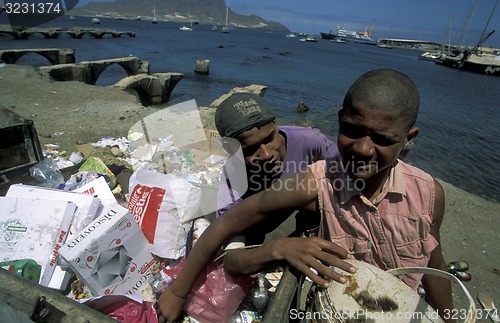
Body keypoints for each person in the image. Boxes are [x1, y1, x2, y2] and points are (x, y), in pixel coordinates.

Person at [156, 69, 454, 322]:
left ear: (408, 138)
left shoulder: (428, 194)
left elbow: (434, 266)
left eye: (383, 139)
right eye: (352, 131)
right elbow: (226, 236)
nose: (363, 148)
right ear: (340, 121)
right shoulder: (301, 184)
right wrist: (179, 291)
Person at [214, 92, 338, 261]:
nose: (266, 154)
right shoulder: (233, 174)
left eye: (269, 138)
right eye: (250, 150)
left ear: (275, 124)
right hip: (254, 226)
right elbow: (227, 230)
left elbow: (341, 172)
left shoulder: (310, 142)